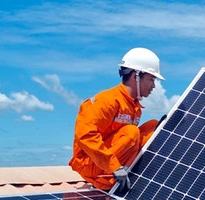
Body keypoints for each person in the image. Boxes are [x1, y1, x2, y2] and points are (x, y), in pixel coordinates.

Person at [70, 47, 164, 192]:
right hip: (90, 163)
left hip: (110, 162)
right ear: (135, 76)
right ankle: (106, 182)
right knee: (131, 132)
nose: (153, 86)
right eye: (151, 79)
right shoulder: (107, 101)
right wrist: (114, 167)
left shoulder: (134, 106)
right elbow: (85, 135)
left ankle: (131, 173)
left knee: (153, 126)